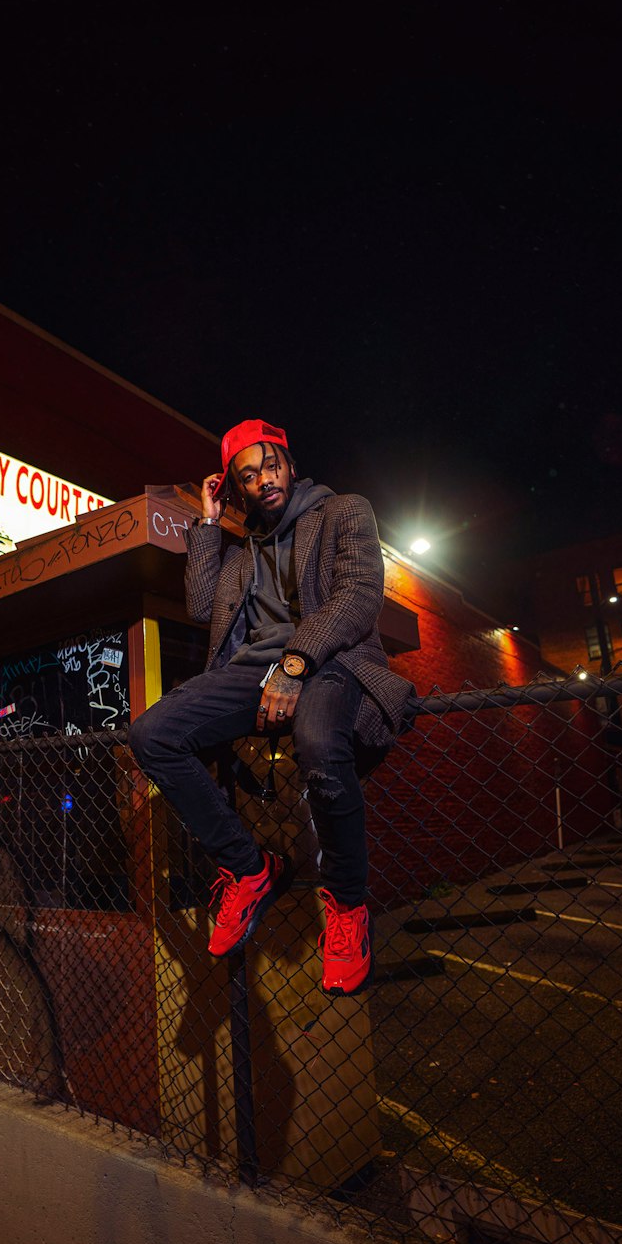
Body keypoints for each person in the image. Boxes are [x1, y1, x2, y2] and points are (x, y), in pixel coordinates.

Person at [129, 418, 414, 995]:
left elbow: (358, 597)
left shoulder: (344, 511)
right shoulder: (240, 554)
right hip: (254, 673)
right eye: (248, 476)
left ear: (289, 461)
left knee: (317, 740)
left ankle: (348, 905)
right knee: (152, 735)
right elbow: (204, 606)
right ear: (236, 488)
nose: (264, 481)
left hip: (334, 661)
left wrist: (295, 663)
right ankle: (248, 867)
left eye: (271, 466)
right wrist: (208, 524)